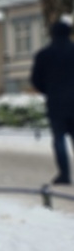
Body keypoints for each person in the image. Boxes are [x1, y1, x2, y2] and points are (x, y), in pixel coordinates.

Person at [31, 18, 74, 185]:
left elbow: (35, 80)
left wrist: (48, 90)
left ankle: (64, 174)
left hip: (56, 102)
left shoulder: (43, 55)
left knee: (59, 139)